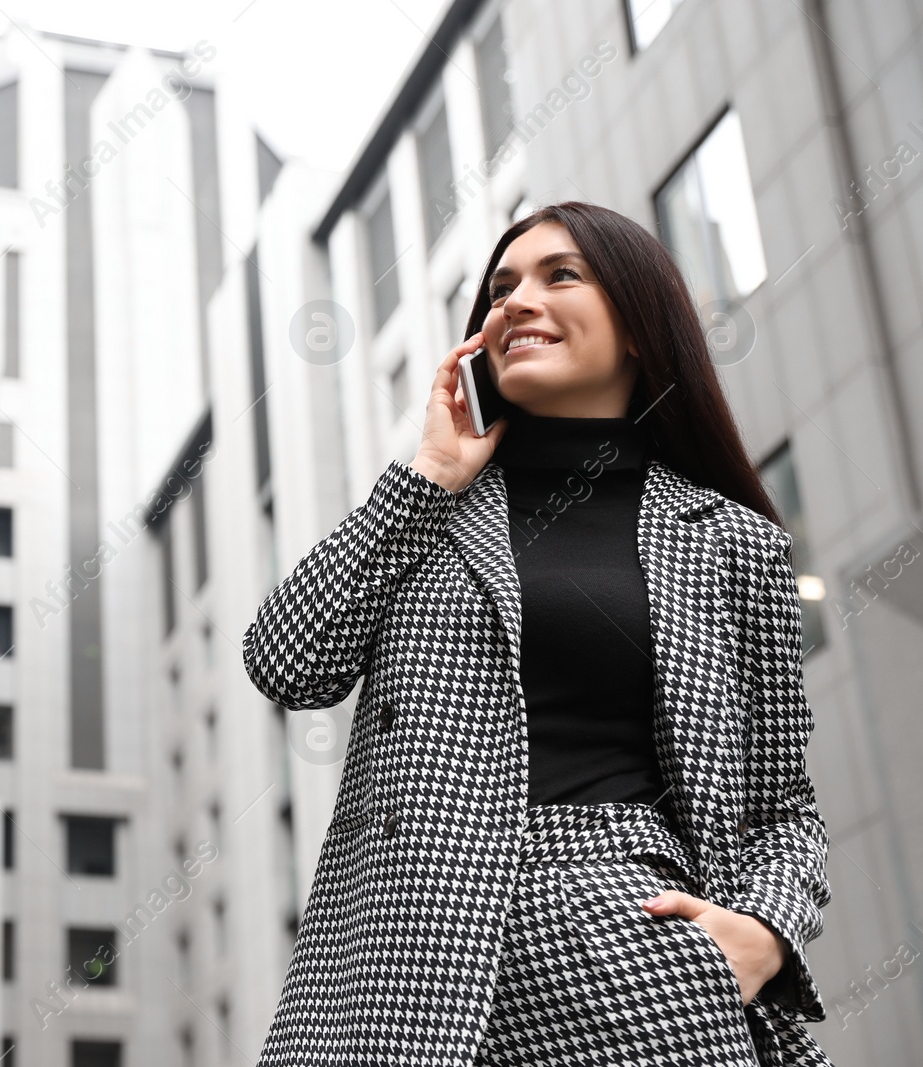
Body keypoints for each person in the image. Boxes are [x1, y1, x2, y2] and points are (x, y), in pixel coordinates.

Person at [243, 201, 834, 1066]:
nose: (516, 300)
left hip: (639, 958)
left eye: (561, 275)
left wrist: (763, 935)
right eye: (501, 288)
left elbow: (786, 806)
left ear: (638, 325)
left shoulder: (731, 543)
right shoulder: (427, 515)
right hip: (403, 976)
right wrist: (431, 471)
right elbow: (288, 662)